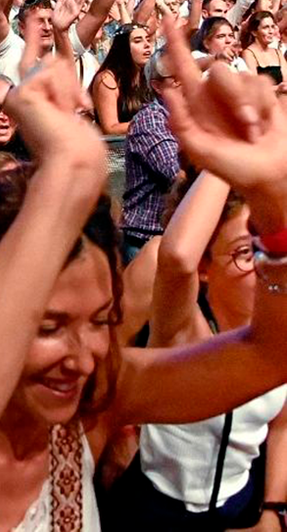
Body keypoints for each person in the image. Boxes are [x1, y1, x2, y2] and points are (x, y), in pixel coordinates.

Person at [0, 34, 287, 529]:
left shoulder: (92, 397)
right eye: (48, 325)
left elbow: (268, 358)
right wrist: (68, 172)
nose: (83, 355)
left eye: (102, 320)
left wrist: (275, 207)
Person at [109, 170, 287, 527]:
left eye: (264, 250)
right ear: (205, 267)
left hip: (240, 504)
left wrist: (272, 509)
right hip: (157, 507)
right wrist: (223, 160)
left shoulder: (277, 328)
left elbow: (283, 425)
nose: (260, 266)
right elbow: (175, 258)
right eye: (243, 252)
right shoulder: (181, 326)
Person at [121, 48, 182, 263]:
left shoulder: (195, 115)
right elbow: (176, 172)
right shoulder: (150, 121)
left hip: (178, 235)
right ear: (157, 86)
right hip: (147, 239)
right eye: (175, 78)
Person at [89, 24, 154, 136]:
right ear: (124, 47)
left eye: (148, 40)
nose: (147, 45)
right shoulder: (107, 80)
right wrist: (150, 124)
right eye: (138, 41)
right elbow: (110, 128)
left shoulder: (149, 76)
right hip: (118, 150)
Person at [241, 9, 287, 87]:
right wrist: (277, 89)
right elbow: (254, 85)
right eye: (266, 27)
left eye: (272, 27)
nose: (271, 31)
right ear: (254, 32)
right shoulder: (248, 53)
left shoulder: (277, 53)